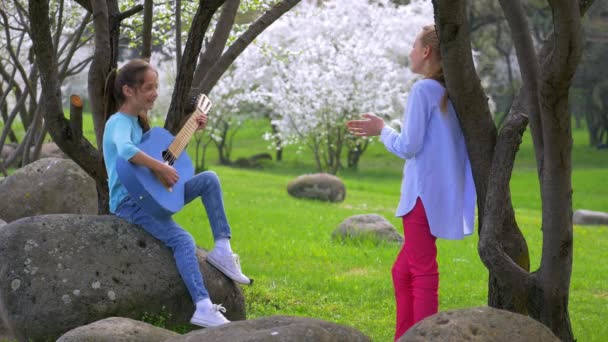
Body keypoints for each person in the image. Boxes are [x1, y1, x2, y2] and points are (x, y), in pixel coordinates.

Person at [346, 25, 476, 340]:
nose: (409, 51)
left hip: (421, 198)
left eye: (413, 45)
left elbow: (409, 146)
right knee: (401, 272)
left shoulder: (423, 90)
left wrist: (382, 129)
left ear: (427, 51)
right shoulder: (450, 92)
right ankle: (404, 336)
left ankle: (423, 337)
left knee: (422, 273)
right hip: (439, 196)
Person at [102, 58, 252, 328]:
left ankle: (222, 248)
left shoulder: (138, 122)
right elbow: (125, 151)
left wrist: (192, 125)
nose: (155, 93)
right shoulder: (119, 122)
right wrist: (160, 167)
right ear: (128, 90)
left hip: (151, 194)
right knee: (183, 241)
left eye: (156, 87)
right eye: (149, 88)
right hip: (129, 203)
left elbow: (163, 152)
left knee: (209, 179)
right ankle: (203, 307)